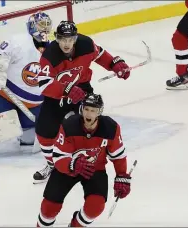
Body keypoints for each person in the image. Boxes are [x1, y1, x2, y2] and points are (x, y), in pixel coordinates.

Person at [33, 20, 131, 183]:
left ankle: (93, 161)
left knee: (90, 124)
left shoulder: (86, 45)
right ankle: (53, 165)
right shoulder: (50, 55)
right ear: (56, 38)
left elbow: (100, 55)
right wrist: (67, 90)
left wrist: (115, 64)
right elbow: (44, 84)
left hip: (82, 88)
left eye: (70, 39)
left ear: (76, 38)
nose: (66, 43)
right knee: (44, 130)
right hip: (58, 93)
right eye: (63, 39)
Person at [36, 93, 131, 227]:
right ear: (81, 109)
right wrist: (72, 165)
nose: (89, 114)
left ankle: (76, 225)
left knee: (95, 206)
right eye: (86, 109)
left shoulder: (111, 128)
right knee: (48, 209)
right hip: (68, 170)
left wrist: (121, 175)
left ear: (99, 112)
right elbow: (58, 157)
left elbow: (118, 156)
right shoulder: (69, 125)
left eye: (93, 110)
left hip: (95, 170)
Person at [0, 11, 52, 147]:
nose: (44, 29)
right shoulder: (17, 41)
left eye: (46, 26)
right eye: (40, 25)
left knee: (29, 143)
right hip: (5, 96)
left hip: (34, 104)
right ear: (32, 26)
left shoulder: (53, 50)